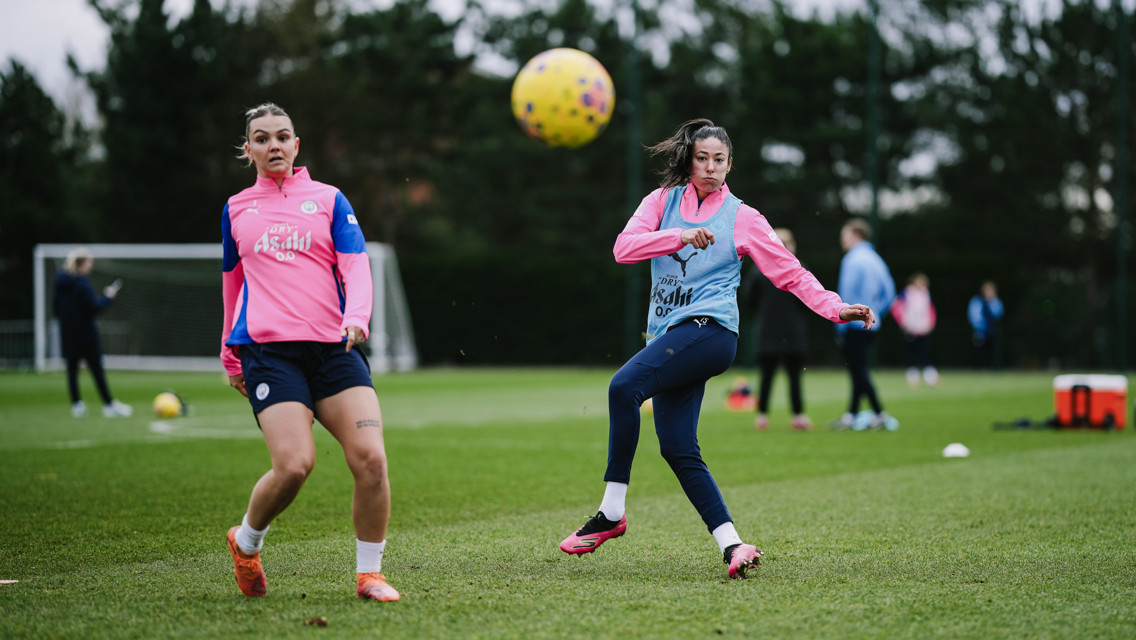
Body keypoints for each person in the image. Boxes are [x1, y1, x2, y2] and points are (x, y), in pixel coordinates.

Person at [558, 119, 875, 579]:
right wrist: (679, 236)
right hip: (671, 340)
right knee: (678, 446)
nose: (710, 168)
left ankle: (611, 512)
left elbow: (790, 272)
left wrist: (835, 307)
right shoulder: (662, 202)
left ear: (730, 165)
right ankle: (733, 544)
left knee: (623, 387)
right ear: (690, 159)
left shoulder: (742, 217)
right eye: (702, 158)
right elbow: (623, 249)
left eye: (719, 160)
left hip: (711, 333)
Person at [220, 103, 398, 602]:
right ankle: (247, 542)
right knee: (295, 465)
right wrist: (228, 353)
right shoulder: (236, 209)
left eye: (282, 136)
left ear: (297, 145)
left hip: (334, 349)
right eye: (261, 138)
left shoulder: (329, 199)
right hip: (268, 355)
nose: (273, 145)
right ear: (248, 149)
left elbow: (356, 265)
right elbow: (231, 287)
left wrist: (357, 316)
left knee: (371, 460)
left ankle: (370, 575)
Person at [832, 218, 897, 431]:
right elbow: (890, 293)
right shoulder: (876, 259)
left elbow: (846, 296)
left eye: (844, 235)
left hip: (853, 326)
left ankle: (879, 413)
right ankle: (851, 415)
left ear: (855, 236)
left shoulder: (852, 259)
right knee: (858, 369)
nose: (842, 239)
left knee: (858, 371)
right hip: (872, 325)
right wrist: (875, 313)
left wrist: (840, 324)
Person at [52, 248, 133, 418]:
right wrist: (108, 297)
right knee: (96, 368)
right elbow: (95, 307)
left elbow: (56, 309)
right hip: (86, 334)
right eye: (89, 262)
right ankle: (109, 405)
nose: (91, 266)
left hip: (68, 334)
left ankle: (77, 405)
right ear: (81, 263)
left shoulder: (60, 283)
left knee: (72, 370)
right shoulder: (82, 284)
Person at [748, 228, 813, 430]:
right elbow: (809, 301)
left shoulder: (760, 270)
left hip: (767, 332)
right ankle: (798, 416)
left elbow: (749, 299)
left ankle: (762, 416)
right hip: (793, 332)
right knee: (794, 377)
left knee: (766, 377)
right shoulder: (799, 269)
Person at [890, 272, 938, 387]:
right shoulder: (907, 293)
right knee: (912, 352)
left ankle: (929, 375)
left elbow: (929, 309)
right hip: (911, 327)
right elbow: (896, 306)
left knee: (925, 351)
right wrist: (902, 321)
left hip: (923, 328)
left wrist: (931, 322)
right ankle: (913, 375)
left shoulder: (926, 294)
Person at [968, 280, 1004, 370]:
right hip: (980, 330)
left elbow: (999, 313)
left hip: (992, 330)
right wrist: (978, 327)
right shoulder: (977, 301)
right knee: (978, 352)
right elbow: (973, 315)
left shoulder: (995, 302)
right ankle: (977, 369)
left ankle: (994, 369)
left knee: (993, 351)